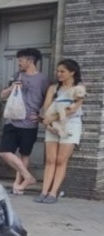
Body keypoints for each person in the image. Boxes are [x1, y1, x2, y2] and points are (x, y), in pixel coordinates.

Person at [0, 48, 49, 194]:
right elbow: (2, 95)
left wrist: (41, 117)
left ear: (30, 60)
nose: (18, 63)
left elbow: (48, 100)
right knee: (4, 152)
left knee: (25, 154)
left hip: (29, 124)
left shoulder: (43, 79)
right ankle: (28, 177)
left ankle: (17, 185)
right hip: (12, 120)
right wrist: (12, 87)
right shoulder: (17, 75)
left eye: (21, 60)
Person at [35, 59, 86, 204]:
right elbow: (46, 108)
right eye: (58, 71)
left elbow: (73, 109)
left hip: (71, 124)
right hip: (53, 125)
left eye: (62, 71)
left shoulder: (79, 88)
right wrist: (49, 123)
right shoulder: (53, 88)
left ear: (72, 72)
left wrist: (50, 119)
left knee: (61, 160)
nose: (59, 74)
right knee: (50, 160)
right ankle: (44, 191)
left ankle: (53, 193)